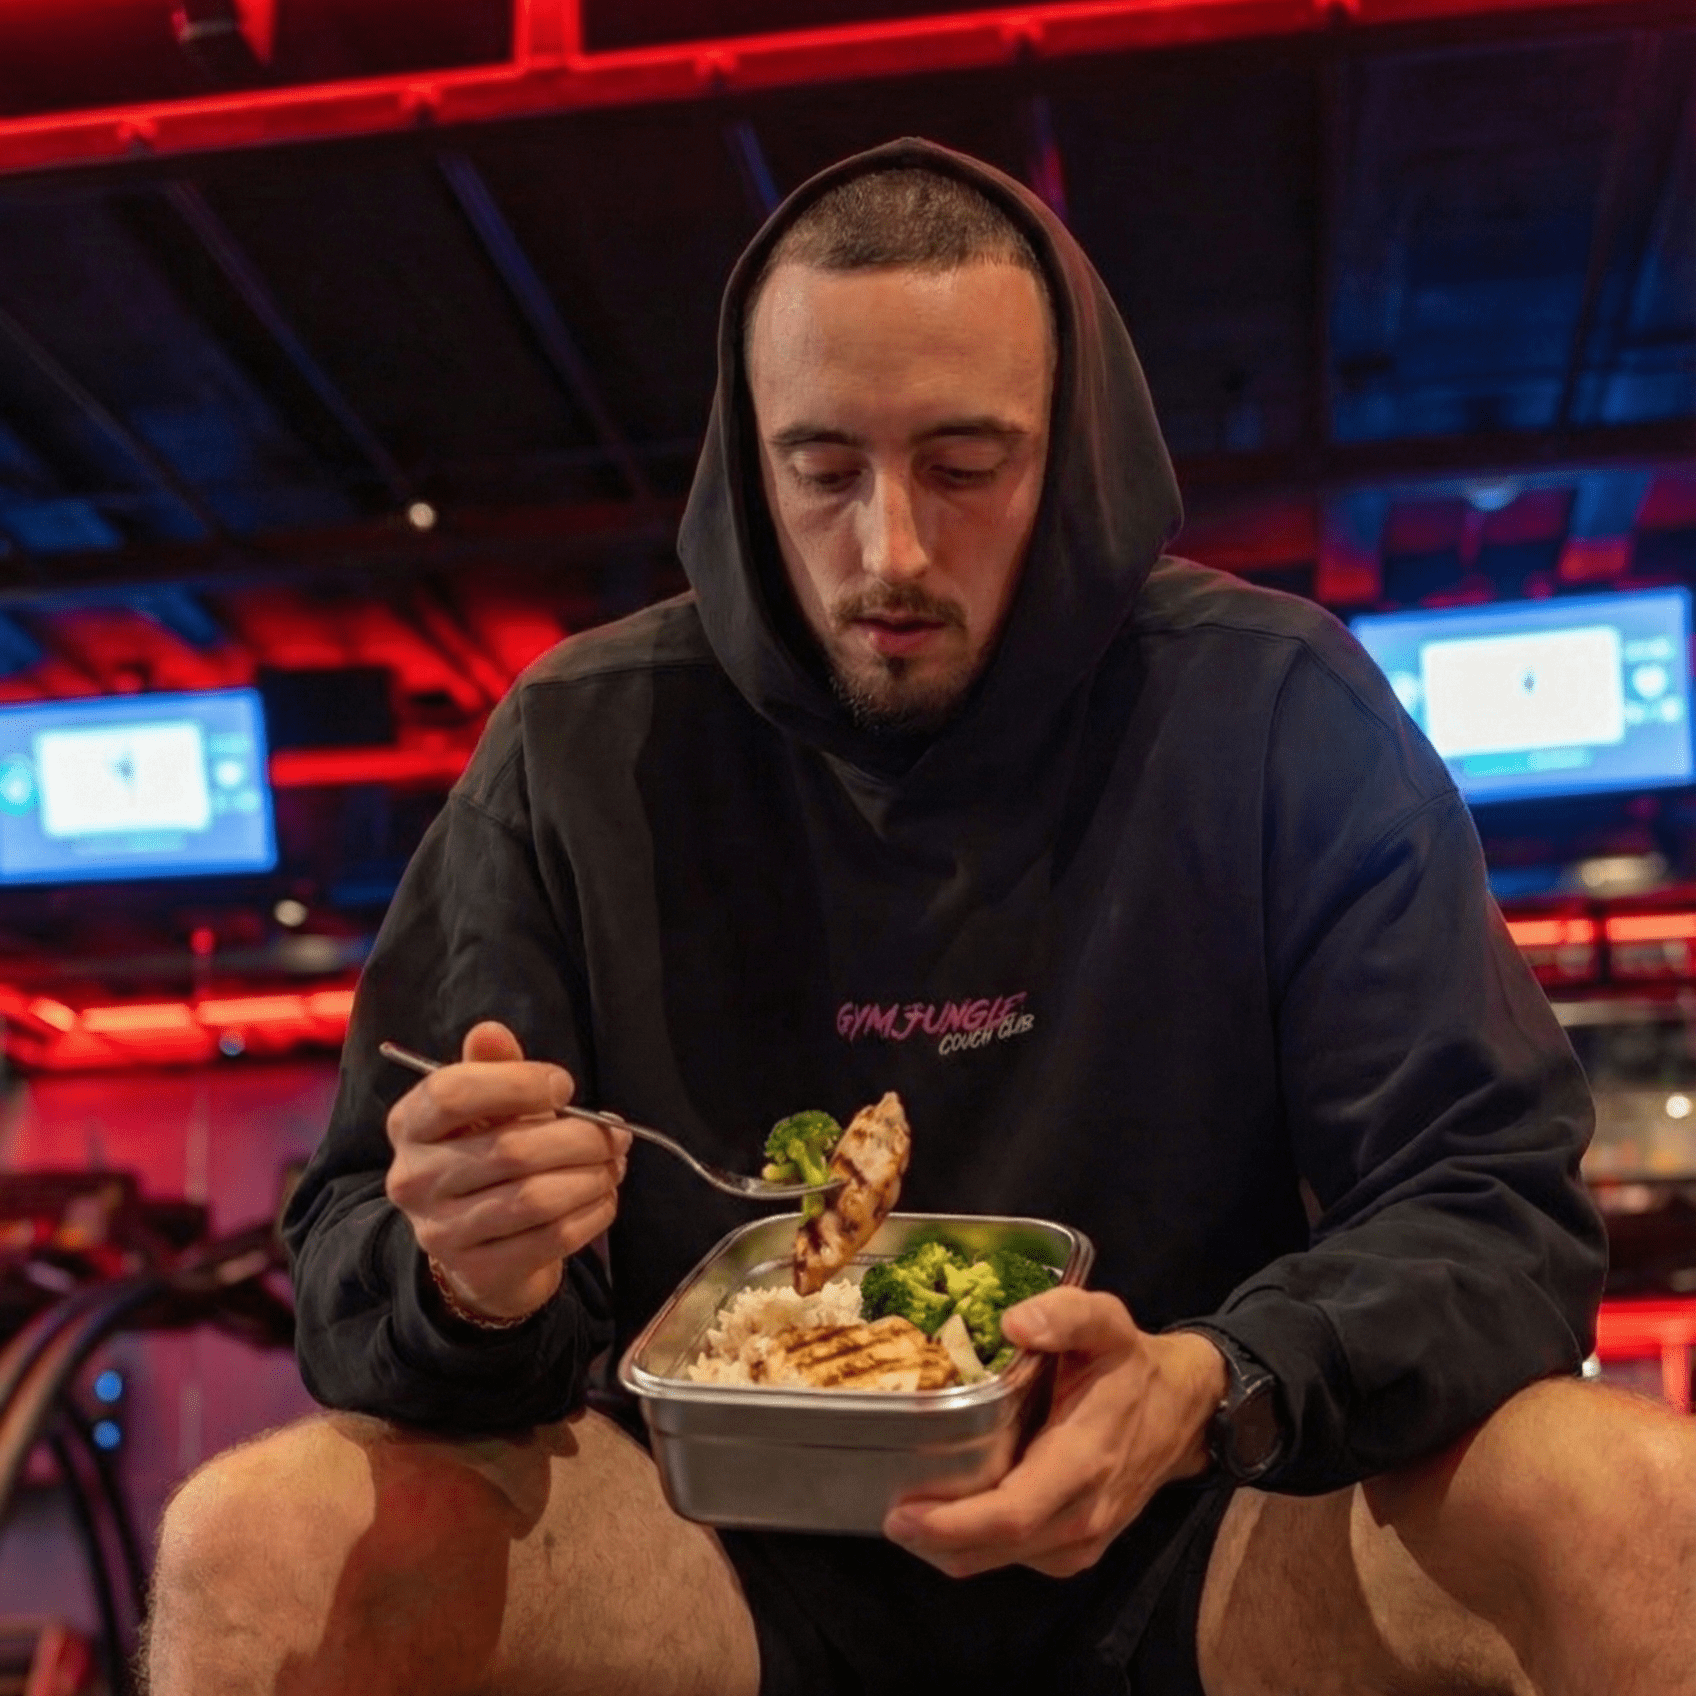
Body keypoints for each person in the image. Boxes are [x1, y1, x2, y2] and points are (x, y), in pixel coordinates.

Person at [145, 139, 1695, 1696]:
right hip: (705, 1562)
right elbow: (351, 1249)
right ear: (747, 461)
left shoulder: (1273, 708)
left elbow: (1496, 1208)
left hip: (1203, 1531)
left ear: (1073, 452)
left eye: (966, 468)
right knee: (249, 1539)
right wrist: (465, 1285)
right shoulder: (577, 747)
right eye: (822, 470)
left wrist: (1219, 1380)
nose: (888, 550)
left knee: (1636, 1504)